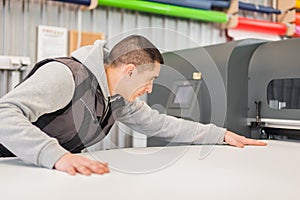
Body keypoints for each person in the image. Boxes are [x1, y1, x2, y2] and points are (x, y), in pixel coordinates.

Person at [0, 35, 266, 176]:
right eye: (150, 79)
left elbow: (161, 124)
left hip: (42, 174)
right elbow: (4, 115)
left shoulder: (119, 99)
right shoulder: (66, 75)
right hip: (9, 167)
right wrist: (55, 155)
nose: (150, 89)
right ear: (129, 71)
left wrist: (221, 135)